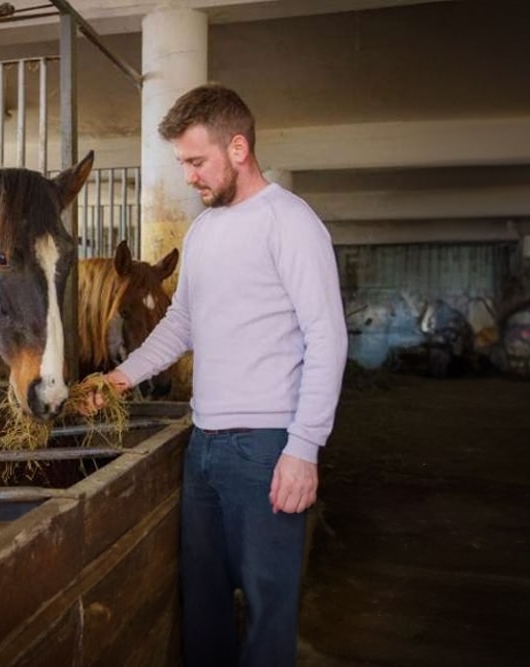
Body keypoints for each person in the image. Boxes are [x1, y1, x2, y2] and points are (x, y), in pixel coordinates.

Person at [89, 83, 347, 666]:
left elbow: (327, 336)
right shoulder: (203, 231)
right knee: (202, 604)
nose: (189, 177)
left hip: (266, 448)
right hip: (203, 443)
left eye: (196, 162)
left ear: (237, 147)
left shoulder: (290, 222)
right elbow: (182, 323)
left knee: (265, 604)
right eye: (182, 164)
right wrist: (119, 379)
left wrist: (304, 447)